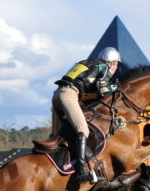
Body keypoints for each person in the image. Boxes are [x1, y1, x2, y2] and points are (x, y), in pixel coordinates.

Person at [52, 47, 121, 183]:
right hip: (69, 95)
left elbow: (86, 89)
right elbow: (103, 89)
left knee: (68, 133)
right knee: (83, 129)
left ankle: (66, 161)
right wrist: (116, 87)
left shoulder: (87, 63)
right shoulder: (105, 67)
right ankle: (81, 171)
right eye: (117, 64)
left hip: (57, 95)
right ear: (112, 62)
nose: (116, 67)